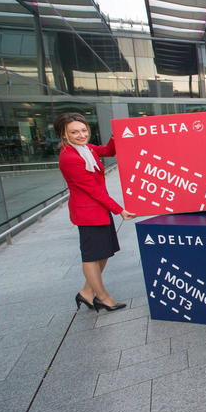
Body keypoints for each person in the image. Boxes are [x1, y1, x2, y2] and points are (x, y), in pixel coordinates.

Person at [54, 113, 135, 313]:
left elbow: (108, 151)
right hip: (88, 213)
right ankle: (103, 297)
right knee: (92, 256)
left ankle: (87, 292)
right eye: (74, 132)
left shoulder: (86, 149)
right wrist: (119, 210)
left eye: (84, 130)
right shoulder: (70, 157)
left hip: (98, 210)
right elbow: (93, 190)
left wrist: (115, 137)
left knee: (104, 252)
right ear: (64, 135)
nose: (81, 135)